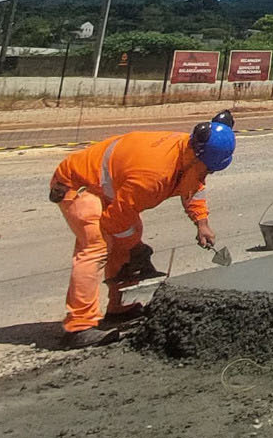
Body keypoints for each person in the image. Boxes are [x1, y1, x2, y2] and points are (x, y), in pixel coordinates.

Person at [47, 110, 234, 348]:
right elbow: (113, 220)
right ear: (196, 158)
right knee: (97, 246)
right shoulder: (152, 177)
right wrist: (137, 248)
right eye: (208, 169)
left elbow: (193, 185)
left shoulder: (189, 152)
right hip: (77, 185)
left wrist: (201, 222)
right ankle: (78, 327)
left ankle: (119, 308)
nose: (208, 174)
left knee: (125, 240)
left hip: (109, 187)